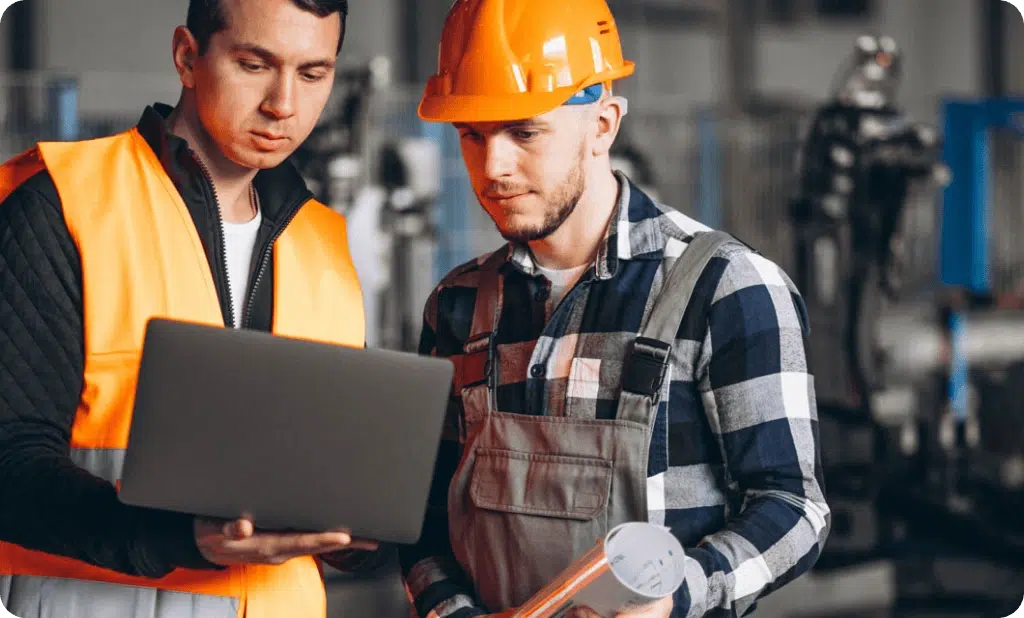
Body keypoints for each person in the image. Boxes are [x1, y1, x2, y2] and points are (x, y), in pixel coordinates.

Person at [397, 1, 831, 617]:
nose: (492, 166)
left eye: (523, 132)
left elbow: (794, 509)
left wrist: (677, 596)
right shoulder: (459, 306)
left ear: (603, 125)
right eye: (472, 134)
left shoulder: (726, 288)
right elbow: (426, 521)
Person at [0, 0, 383, 616]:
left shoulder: (324, 246)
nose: (284, 104)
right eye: (255, 65)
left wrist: (360, 536)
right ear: (187, 56)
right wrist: (179, 537)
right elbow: (8, 461)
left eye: (313, 74)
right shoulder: (63, 207)